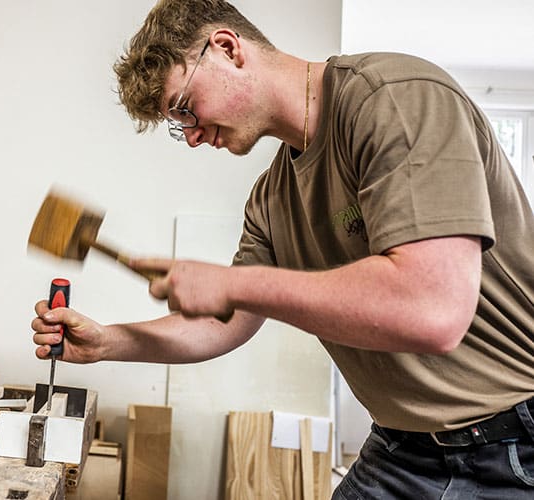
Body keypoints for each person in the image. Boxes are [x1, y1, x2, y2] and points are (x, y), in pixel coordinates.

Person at [31, 0, 534, 497]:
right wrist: (108, 342)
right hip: (401, 445)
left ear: (227, 48)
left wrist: (234, 283)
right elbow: (224, 320)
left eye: (186, 108)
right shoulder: (273, 198)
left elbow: (433, 307)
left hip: (511, 446)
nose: (191, 136)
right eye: (177, 124)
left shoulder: (395, 99)